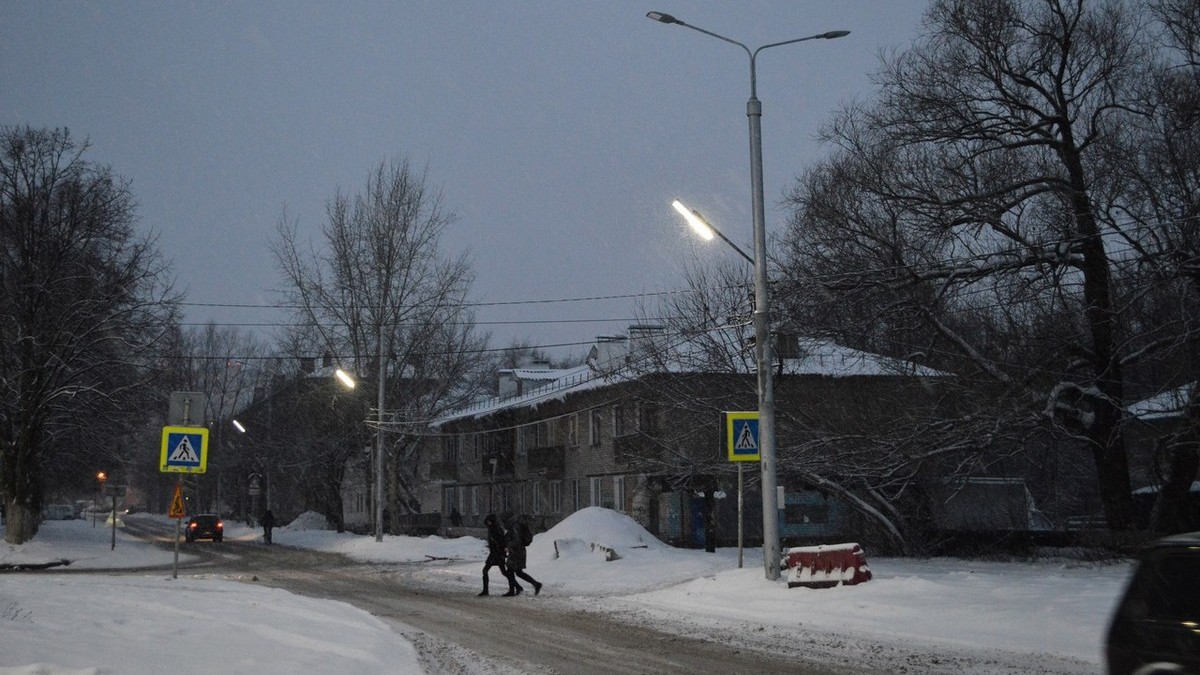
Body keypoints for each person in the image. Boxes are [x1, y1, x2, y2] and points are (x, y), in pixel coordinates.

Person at [504, 515, 542, 596]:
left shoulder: (515, 527)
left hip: (516, 552)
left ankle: (512, 590)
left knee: (510, 571)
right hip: (518, 551)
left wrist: (509, 546)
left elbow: (517, 540)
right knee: (518, 572)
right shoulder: (515, 526)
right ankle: (535, 584)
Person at [478, 513, 512, 596]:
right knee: (503, 572)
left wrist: (500, 552)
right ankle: (515, 586)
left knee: (487, 570)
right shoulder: (494, 529)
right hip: (495, 553)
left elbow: (501, 542)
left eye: (488, 522)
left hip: (496, 554)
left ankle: (486, 591)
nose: (487, 523)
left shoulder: (495, 529)